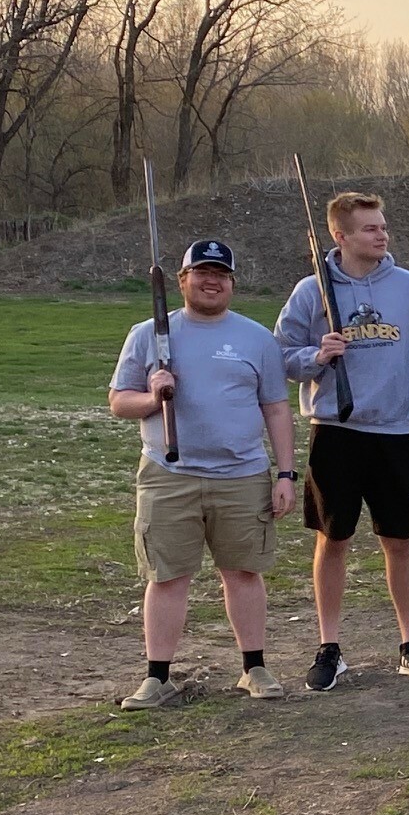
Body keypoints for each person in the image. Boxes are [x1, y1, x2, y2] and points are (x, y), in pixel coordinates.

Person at [107, 239, 296, 708]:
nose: (212, 281)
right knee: (167, 576)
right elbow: (119, 401)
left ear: (231, 283)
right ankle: (158, 678)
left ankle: (254, 668)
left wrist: (286, 474)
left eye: (221, 275)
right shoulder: (148, 334)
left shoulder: (256, 338)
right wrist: (154, 397)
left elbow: (276, 409)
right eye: (202, 272)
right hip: (168, 473)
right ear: (182, 280)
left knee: (243, 572)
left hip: (242, 475)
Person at [275, 191, 409, 691]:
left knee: (399, 539)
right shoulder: (311, 291)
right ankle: (329, 647)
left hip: (394, 433)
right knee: (333, 539)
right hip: (335, 432)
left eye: (383, 226)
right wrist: (316, 356)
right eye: (370, 228)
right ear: (340, 235)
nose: (382, 235)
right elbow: (280, 355)